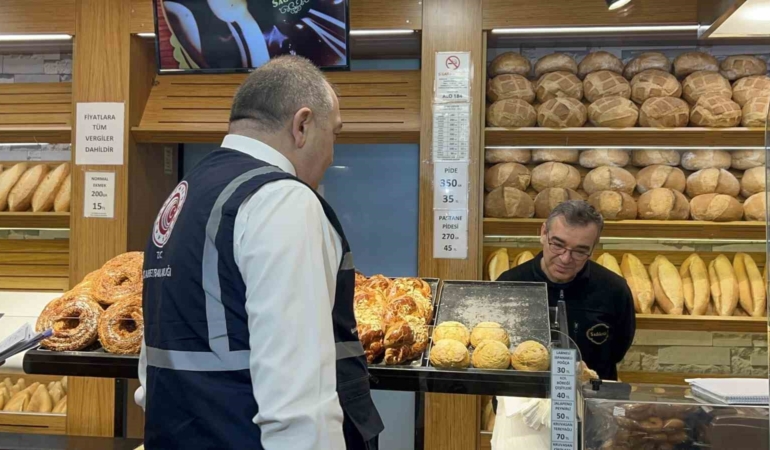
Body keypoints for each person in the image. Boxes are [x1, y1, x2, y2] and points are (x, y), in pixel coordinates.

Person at [135, 55, 383, 449]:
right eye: (334, 134)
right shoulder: (282, 200)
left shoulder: (186, 193)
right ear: (302, 125)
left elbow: (154, 369)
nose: (333, 154)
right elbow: (299, 401)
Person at [497, 200, 635, 380]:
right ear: (543, 233)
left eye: (580, 251)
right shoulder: (509, 285)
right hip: (522, 402)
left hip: (591, 401)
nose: (565, 258)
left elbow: (617, 350)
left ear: (593, 248)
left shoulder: (614, 289)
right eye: (558, 245)